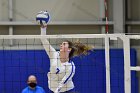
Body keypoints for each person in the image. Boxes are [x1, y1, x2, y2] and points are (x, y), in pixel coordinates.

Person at [40, 25, 91, 93]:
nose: (61, 45)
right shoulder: (53, 54)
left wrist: (56, 91)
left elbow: (63, 82)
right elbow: (44, 40)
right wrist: (43, 28)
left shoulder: (71, 66)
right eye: (61, 44)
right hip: (52, 89)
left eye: (64, 44)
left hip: (67, 91)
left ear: (69, 49)